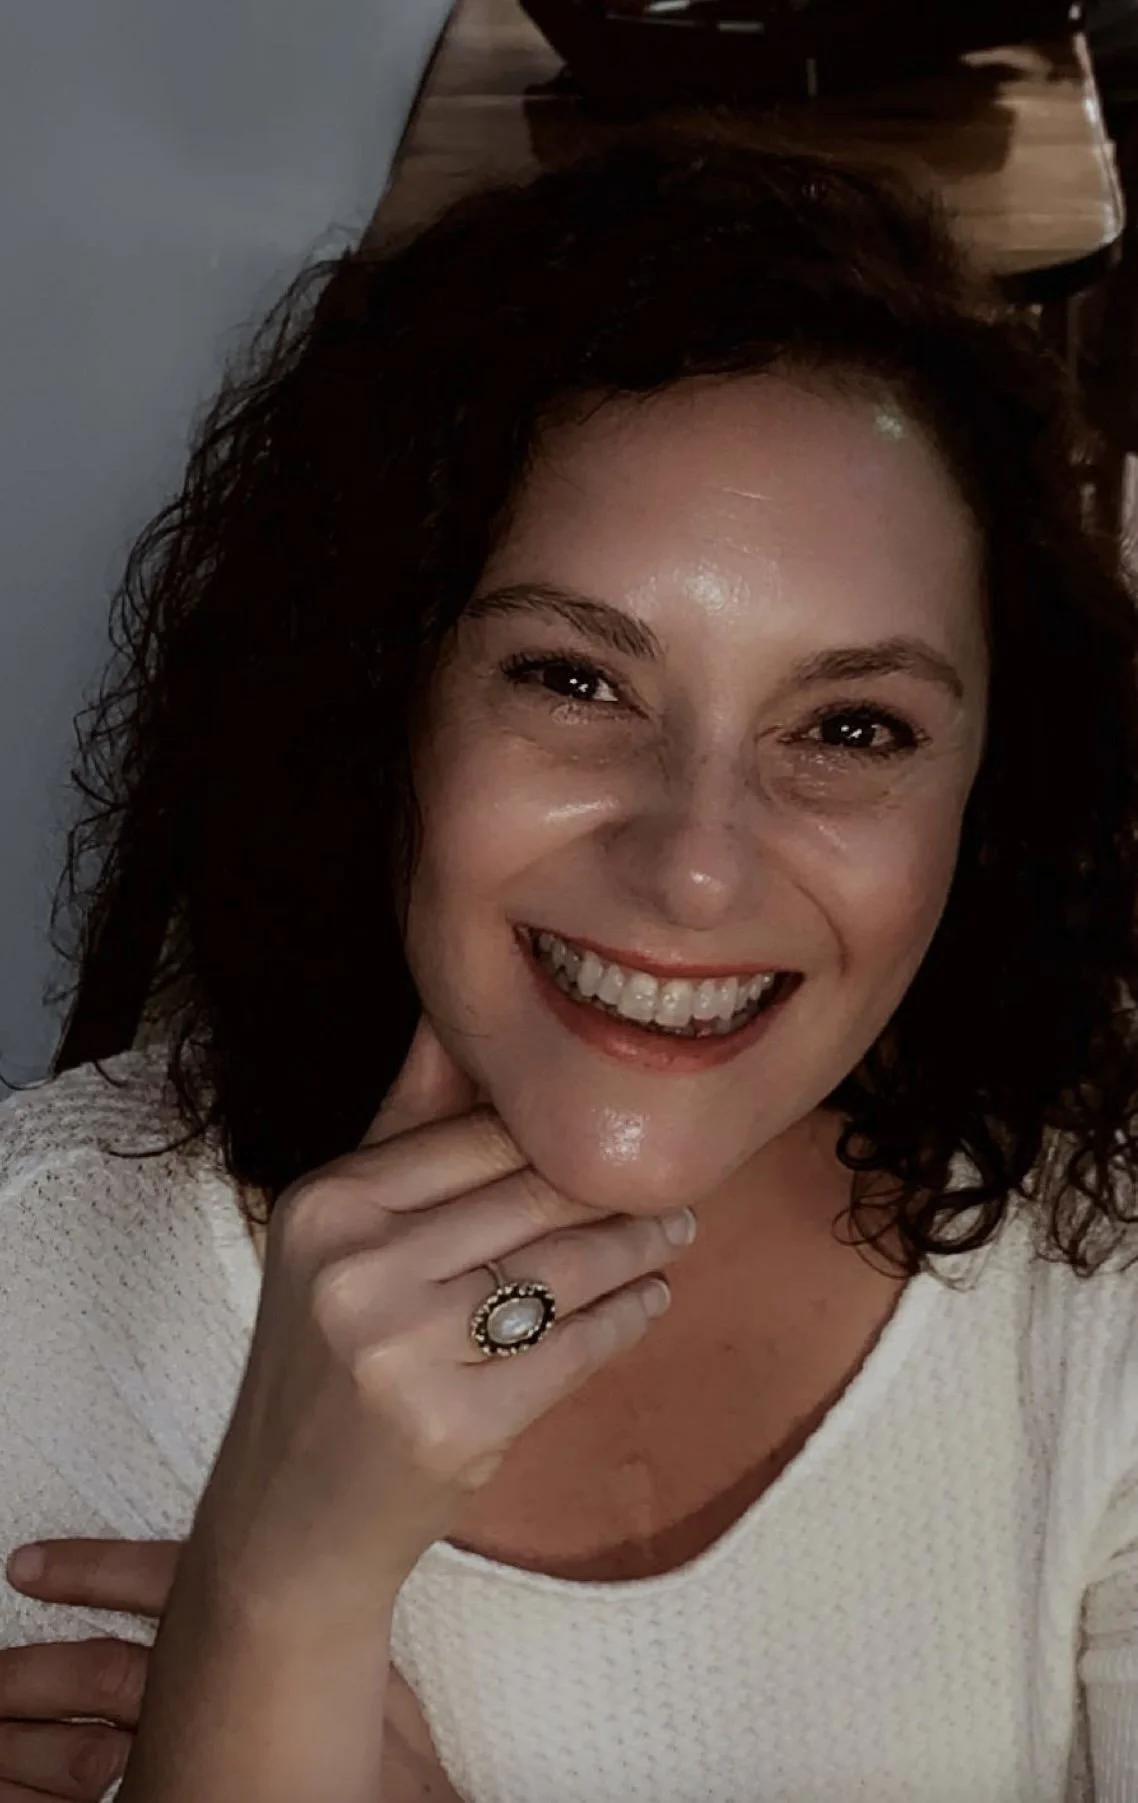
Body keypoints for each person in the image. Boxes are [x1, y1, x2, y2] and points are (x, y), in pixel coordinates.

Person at [2, 125, 1138, 1802]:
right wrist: (285, 1565)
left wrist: (253, 1650)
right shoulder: (26, 1282)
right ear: (381, 692)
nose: (695, 862)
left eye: (849, 725)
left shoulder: (1099, 1280)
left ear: (989, 799)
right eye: (573, 678)